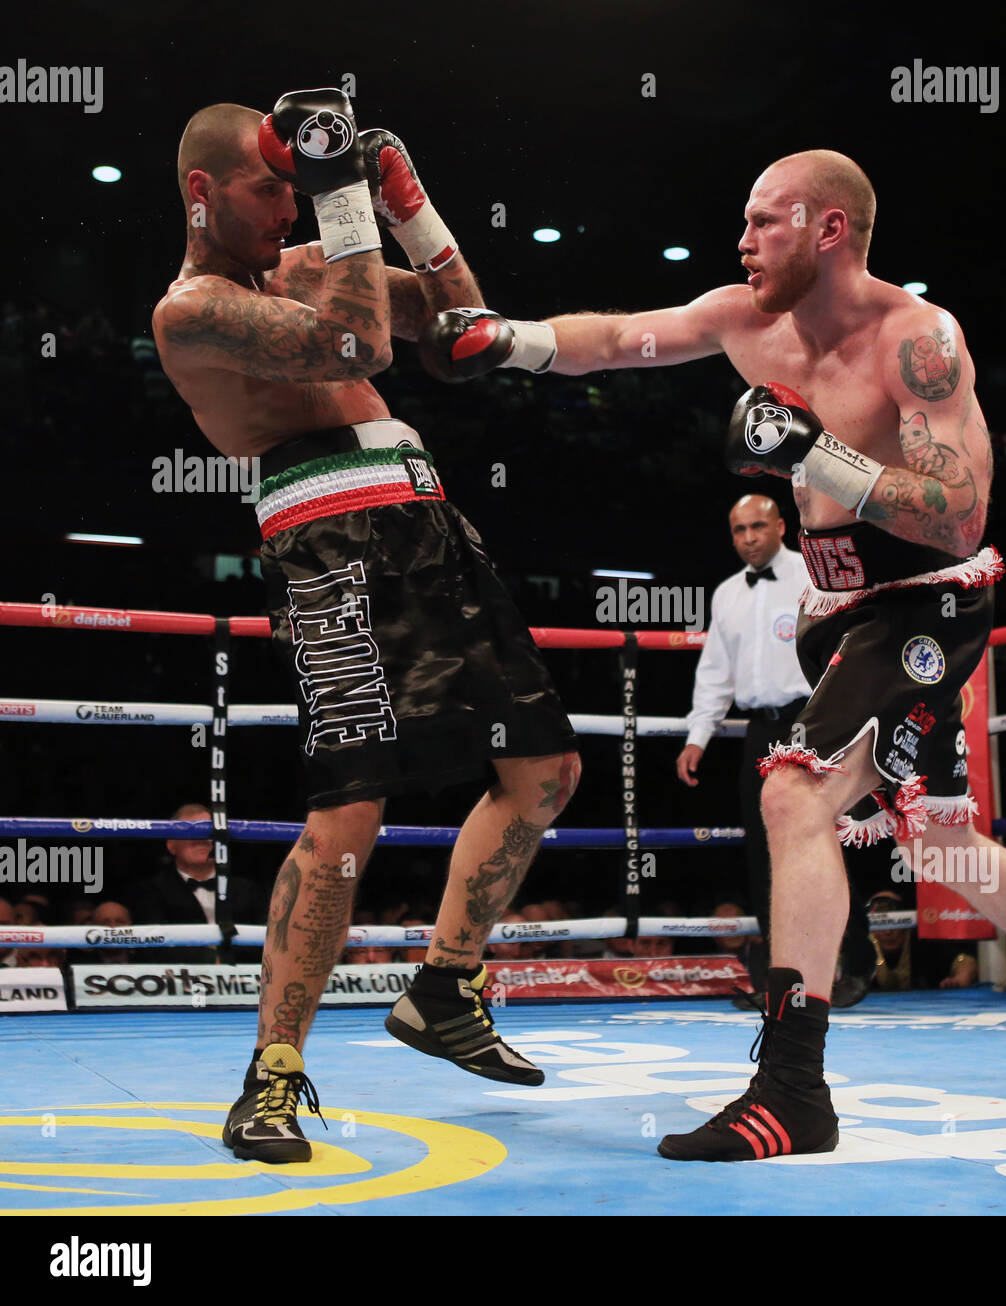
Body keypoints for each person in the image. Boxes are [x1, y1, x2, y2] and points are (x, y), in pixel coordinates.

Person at [422, 148, 1006, 1160]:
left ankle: (792, 1088)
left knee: (792, 792)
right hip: (841, 612)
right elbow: (622, 340)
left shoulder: (917, 339)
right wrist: (510, 340)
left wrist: (813, 453)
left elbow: (957, 515)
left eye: (766, 220)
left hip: (925, 600)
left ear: (828, 230)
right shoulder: (747, 318)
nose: (743, 238)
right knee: (937, 843)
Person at [152, 93, 580, 1163]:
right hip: (326, 541)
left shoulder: (304, 263)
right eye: (269, 188)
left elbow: (462, 328)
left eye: (298, 187)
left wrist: (404, 200)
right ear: (202, 192)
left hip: (427, 518)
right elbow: (357, 344)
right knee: (350, 812)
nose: (287, 207)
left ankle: (442, 986)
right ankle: (273, 1077)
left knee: (544, 770)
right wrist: (346, 196)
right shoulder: (192, 308)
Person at [677, 492, 810, 999]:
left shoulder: (811, 577)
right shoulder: (727, 593)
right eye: (739, 530)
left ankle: (849, 960)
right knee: (761, 850)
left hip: (813, 723)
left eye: (758, 527)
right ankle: (782, 979)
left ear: (780, 525)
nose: (749, 538)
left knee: (822, 843)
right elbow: (715, 672)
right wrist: (697, 737)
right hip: (759, 731)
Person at [133, 803, 267, 962]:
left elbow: (267, 942)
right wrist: (212, 960)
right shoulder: (152, 891)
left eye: (208, 832)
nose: (201, 839)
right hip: (179, 981)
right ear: (171, 845)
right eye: (191, 832)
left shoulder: (248, 890)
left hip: (245, 979)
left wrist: (228, 960)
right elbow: (152, 947)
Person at [865, 890, 977, 991]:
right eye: (881, 925)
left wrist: (959, 979)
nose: (888, 931)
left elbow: (964, 961)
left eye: (895, 924)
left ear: (907, 923)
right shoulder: (861, 949)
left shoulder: (923, 944)